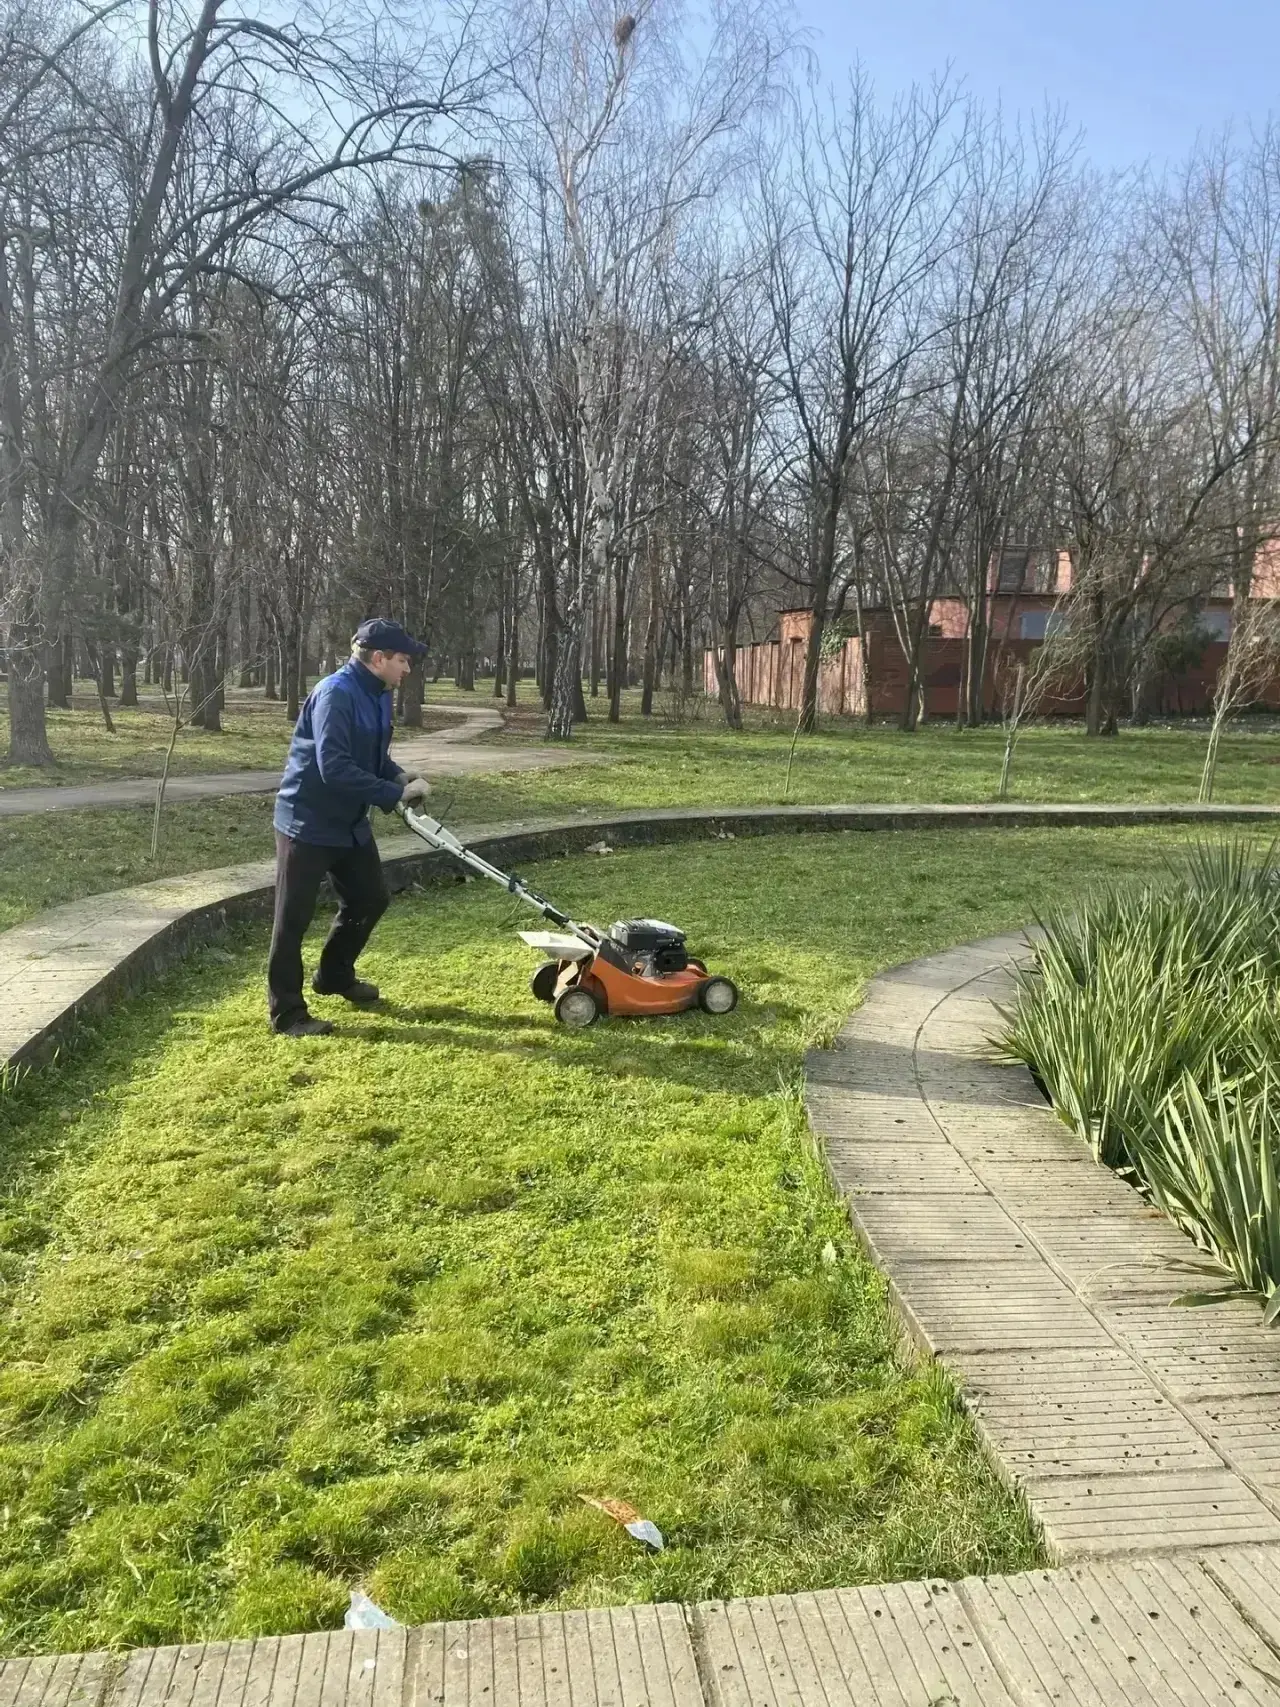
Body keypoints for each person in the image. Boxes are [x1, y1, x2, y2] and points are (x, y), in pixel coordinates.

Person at [267, 619, 432, 1036]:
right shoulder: (336, 694)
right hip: (307, 822)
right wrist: (393, 794)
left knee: (370, 898)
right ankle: (287, 1014)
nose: (407, 668)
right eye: (402, 660)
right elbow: (335, 767)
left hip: (349, 821)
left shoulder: (378, 693)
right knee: (292, 920)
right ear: (378, 658)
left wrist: (397, 776)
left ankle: (334, 976)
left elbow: (371, 756)